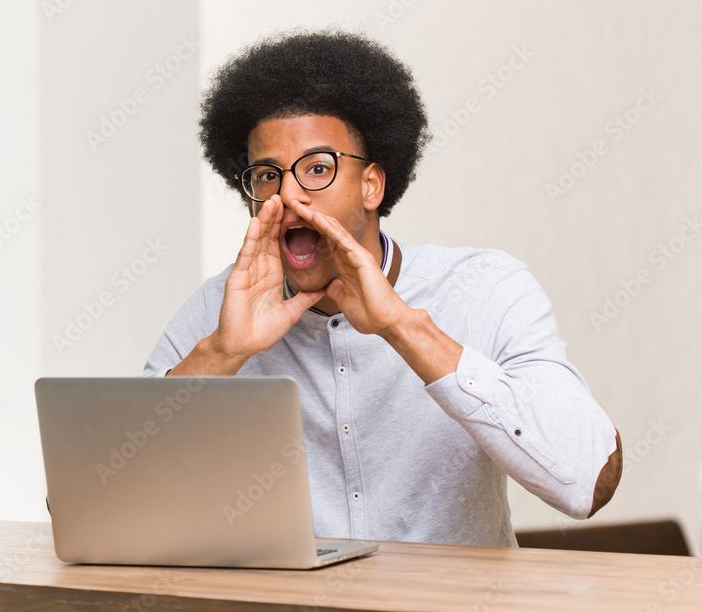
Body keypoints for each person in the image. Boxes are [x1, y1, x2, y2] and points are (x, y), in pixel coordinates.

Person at [142, 29, 621, 546]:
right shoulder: (217, 313)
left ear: (372, 184)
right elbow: (92, 501)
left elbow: (589, 481)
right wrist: (219, 355)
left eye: (318, 169)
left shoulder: (485, 287)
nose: (289, 197)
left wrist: (402, 326)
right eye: (266, 175)